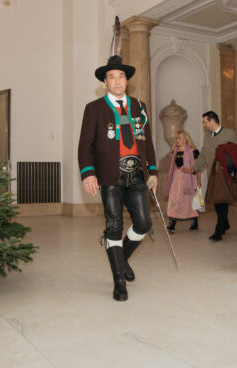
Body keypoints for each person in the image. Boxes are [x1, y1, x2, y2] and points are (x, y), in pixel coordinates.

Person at [78, 55, 158, 301]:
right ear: (105, 82)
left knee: (144, 223)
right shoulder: (94, 108)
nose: (117, 80)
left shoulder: (139, 106)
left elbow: (148, 141)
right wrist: (88, 174)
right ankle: (119, 282)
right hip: (110, 175)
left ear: (127, 80)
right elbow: (85, 146)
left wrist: (153, 170)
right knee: (114, 226)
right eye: (111, 76)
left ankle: (120, 259)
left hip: (136, 175)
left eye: (121, 76)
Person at [185, 111, 237, 242]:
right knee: (218, 201)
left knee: (221, 201)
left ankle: (219, 231)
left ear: (212, 121)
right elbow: (203, 154)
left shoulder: (229, 133)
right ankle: (225, 223)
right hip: (213, 173)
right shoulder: (208, 136)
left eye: (205, 122)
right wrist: (194, 168)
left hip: (225, 173)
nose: (204, 125)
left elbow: (236, 151)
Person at [165, 130, 200, 233]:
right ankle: (172, 224)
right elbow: (174, 166)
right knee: (174, 199)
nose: (177, 140)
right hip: (177, 177)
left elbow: (197, 167)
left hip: (188, 177)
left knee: (188, 200)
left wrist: (198, 180)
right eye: (176, 138)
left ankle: (194, 222)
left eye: (179, 138)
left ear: (185, 139)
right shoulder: (175, 151)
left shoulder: (193, 151)